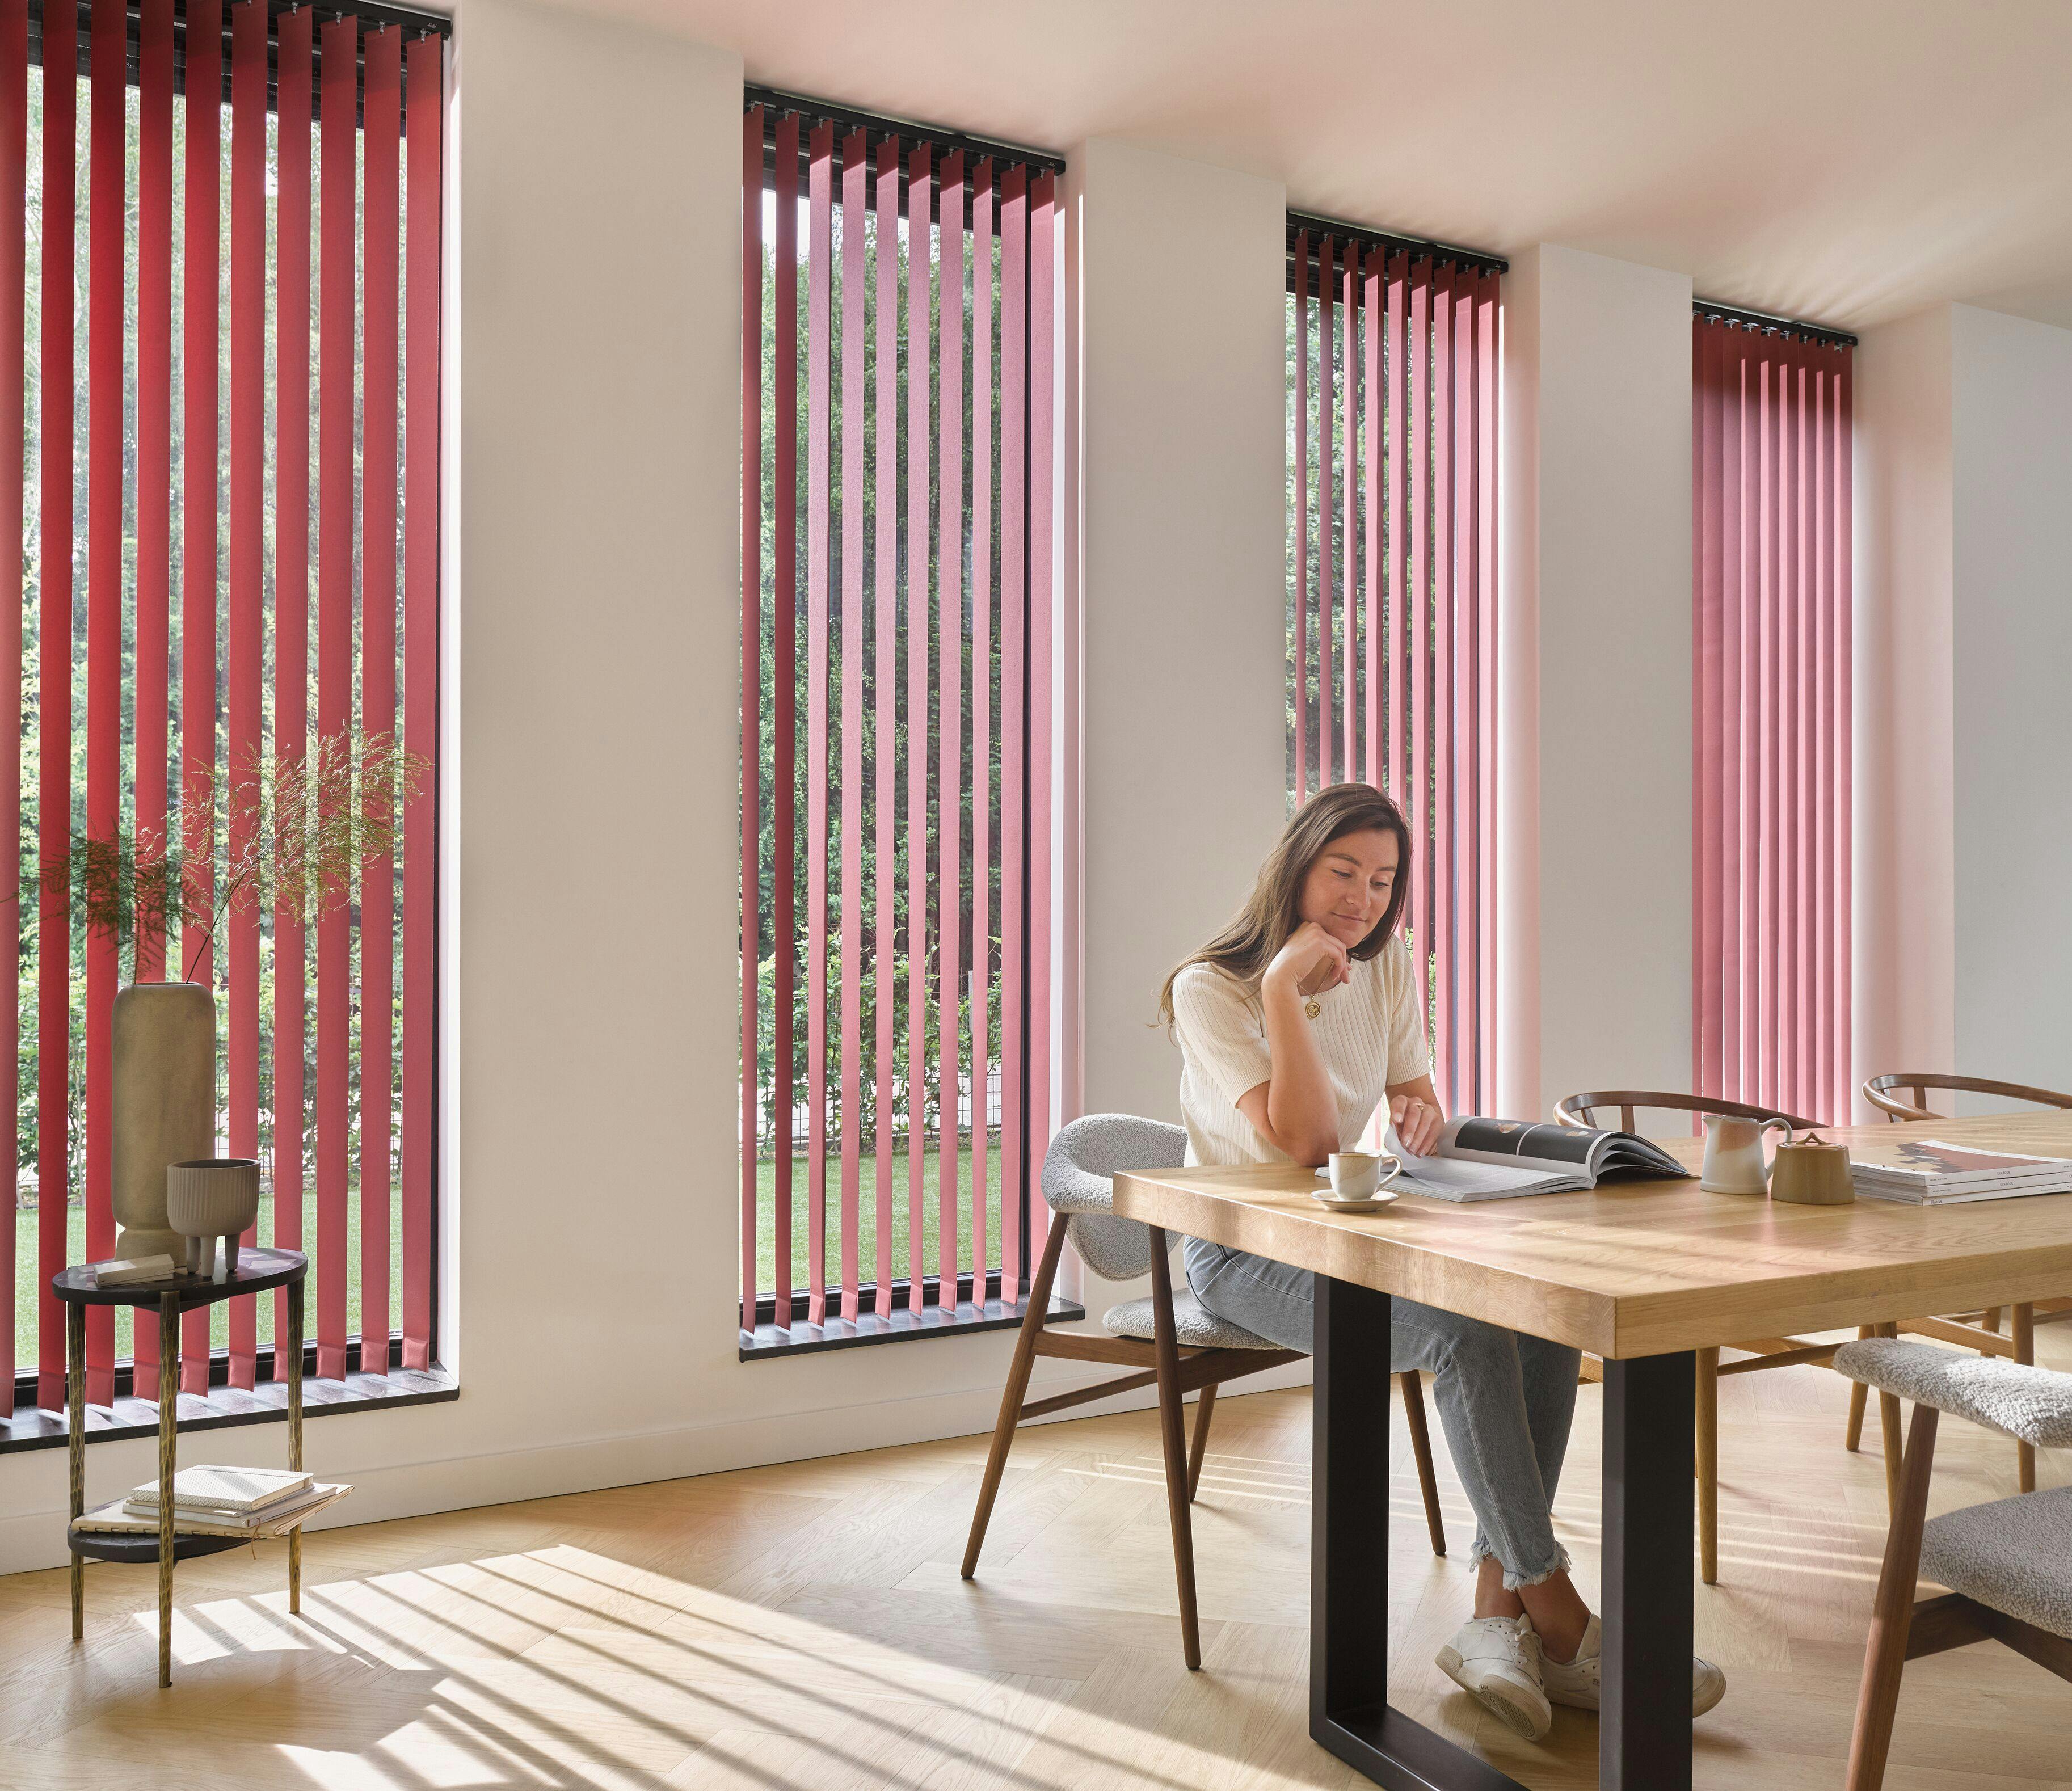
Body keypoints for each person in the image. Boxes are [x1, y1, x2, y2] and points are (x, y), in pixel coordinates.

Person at [1159, 781, 1724, 1741]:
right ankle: (1552, 1602)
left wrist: (1419, 1115)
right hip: (1244, 1256)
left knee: (1538, 1312)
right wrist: (1281, 993)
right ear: (1295, 864)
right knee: (1465, 1336)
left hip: (1360, 1235)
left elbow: (1418, 1101)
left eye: (1382, 881)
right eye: (1344, 872)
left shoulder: (1382, 971)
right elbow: (1302, 1141)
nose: (1363, 899)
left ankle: (1495, 1616)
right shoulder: (1211, 988)